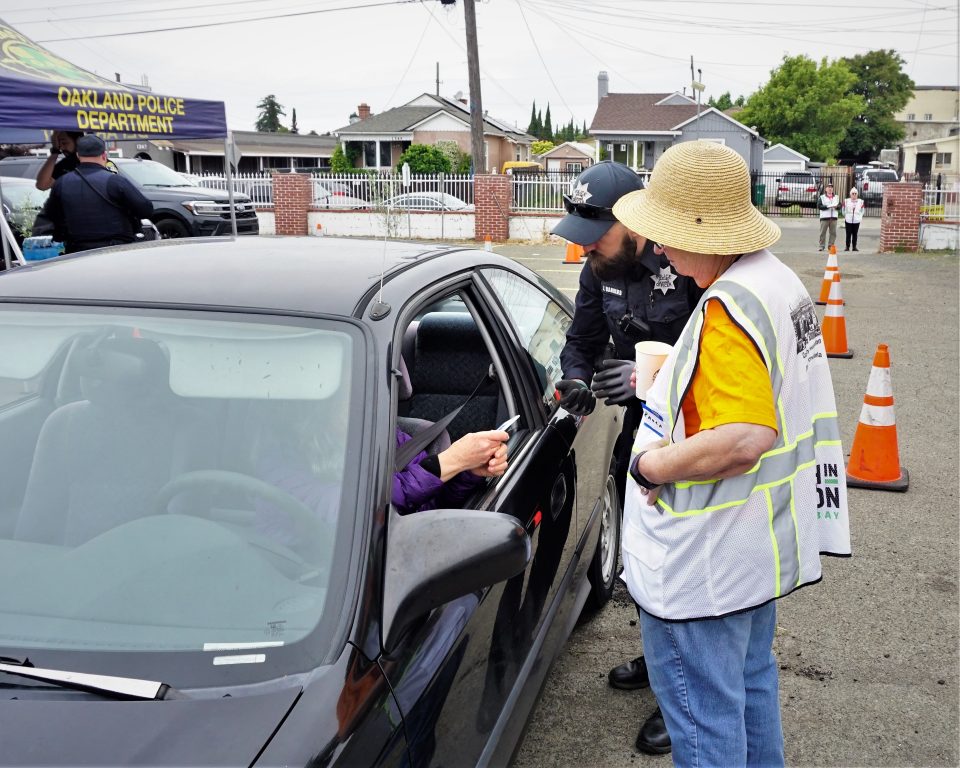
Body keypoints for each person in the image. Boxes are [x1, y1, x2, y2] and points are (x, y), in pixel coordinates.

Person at [611, 140, 851, 766]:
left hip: (706, 565)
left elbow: (745, 437)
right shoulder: (772, 278)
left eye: (666, 233)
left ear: (704, 230)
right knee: (749, 688)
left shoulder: (727, 308)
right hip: (753, 549)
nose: (658, 247)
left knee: (702, 719)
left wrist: (648, 465)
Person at [552, 160, 704, 756]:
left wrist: (649, 376)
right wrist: (574, 381)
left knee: (688, 565)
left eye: (596, 238)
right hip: (638, 439)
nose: (586, 250)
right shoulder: (598, 269)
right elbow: (581, 342)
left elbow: (713, 355)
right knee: (647, 557)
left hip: (695, 443)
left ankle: (683, 696)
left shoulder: (684, 260)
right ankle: (660, 658)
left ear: (632, 225)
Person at [46, 134, 153, 254]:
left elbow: (51, 215)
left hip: (76, 253)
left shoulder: (61, 183)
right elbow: (146, 209)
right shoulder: (115, 181)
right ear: (104, 155)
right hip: (115, 251)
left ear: (78, 155)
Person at [392, 428, 508, 514]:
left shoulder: (392, 436)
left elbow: (429, 507)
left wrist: (469, 473)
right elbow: (377, 508)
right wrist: (453, 460)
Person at [817, 181, 839, 251]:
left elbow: (840, 205)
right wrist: (827, 206)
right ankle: (821, 246)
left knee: (833, 233)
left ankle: (831, 246)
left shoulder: (836, 197)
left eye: (831, 187)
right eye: (828, 187)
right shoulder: (822, 197)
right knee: (822, 233)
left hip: (833, 218)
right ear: (826, 189)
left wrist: (837, 207)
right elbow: (819, 206)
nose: (830, 189)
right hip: (824, 218)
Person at [842, 187, 864, 251]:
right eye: (853, 193)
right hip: (848, 220)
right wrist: (845, 215)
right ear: (850, 194)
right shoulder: (846, 201)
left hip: (856, 220)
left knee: (855, 234)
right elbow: (843, 209)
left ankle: (854, 247)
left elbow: (862, 210)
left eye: (855, 193)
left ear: (857, 194)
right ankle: (847, 247)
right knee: (848, 234)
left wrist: (860, 217)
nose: (854, 195)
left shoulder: (861, 201)